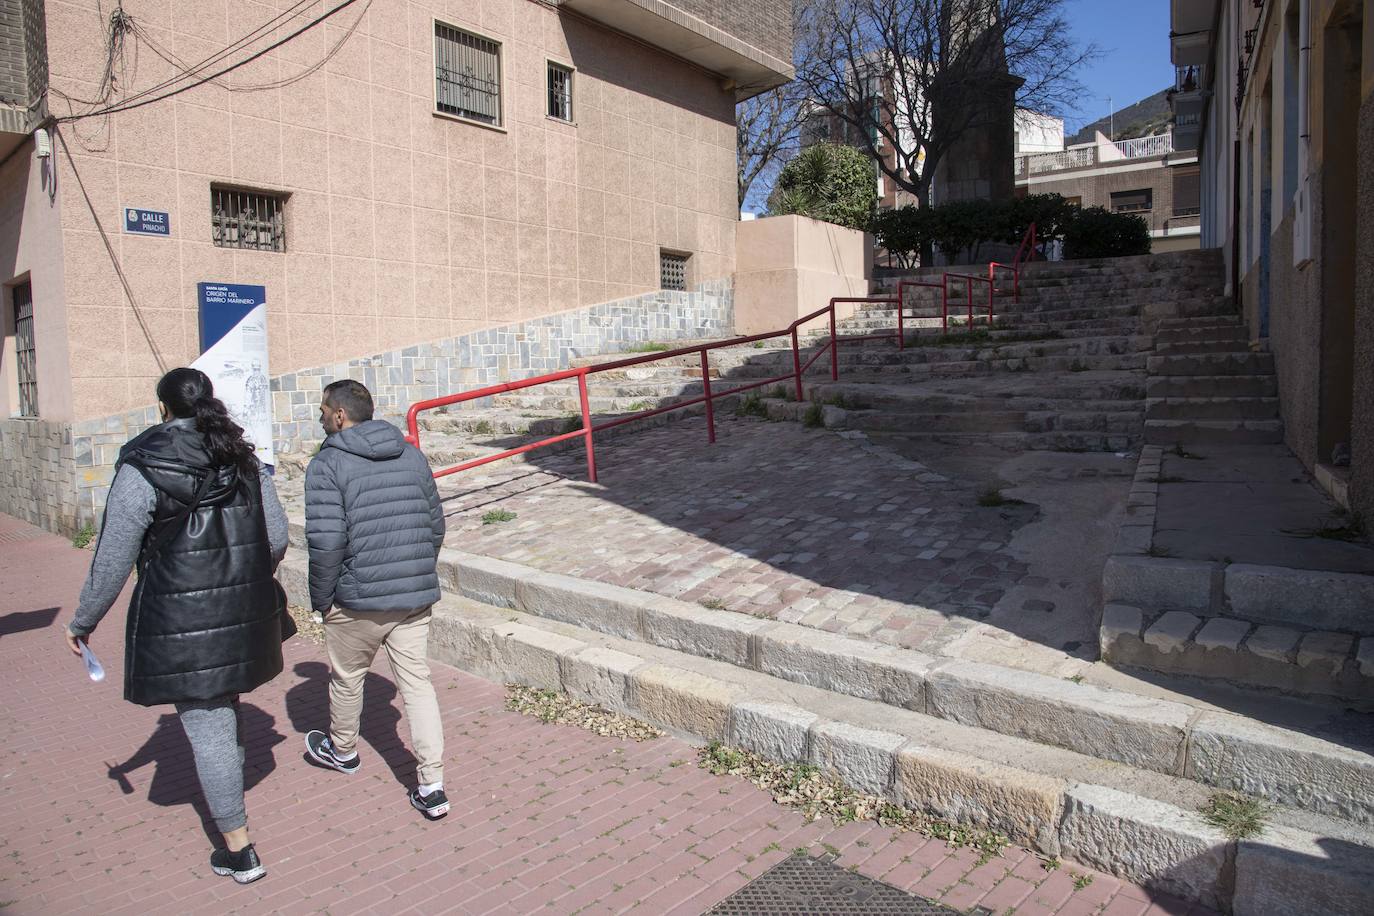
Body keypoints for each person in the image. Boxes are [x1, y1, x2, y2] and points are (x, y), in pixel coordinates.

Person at [63, 367, 289, 885]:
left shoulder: (143, 462)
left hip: (181, 619)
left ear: (162, 408)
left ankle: (240, 850)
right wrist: (241, 575)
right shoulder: (243, 456)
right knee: (223, 707)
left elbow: (114, 556)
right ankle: (231, 807)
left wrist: (83, 621)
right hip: (241, 609)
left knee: (209, 726)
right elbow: (276, 537)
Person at [302, 380, 449, 819]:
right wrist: (415, 570)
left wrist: (321, 599)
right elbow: (435, 524)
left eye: (323, 409)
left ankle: (343, 751)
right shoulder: (412, 454)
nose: (320, 417)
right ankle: (433, 785)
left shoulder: (327, 464)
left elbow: (326, 542)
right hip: (412, 596)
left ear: (340, 415)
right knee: (418, 684)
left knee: (348, 677)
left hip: (356, 598)